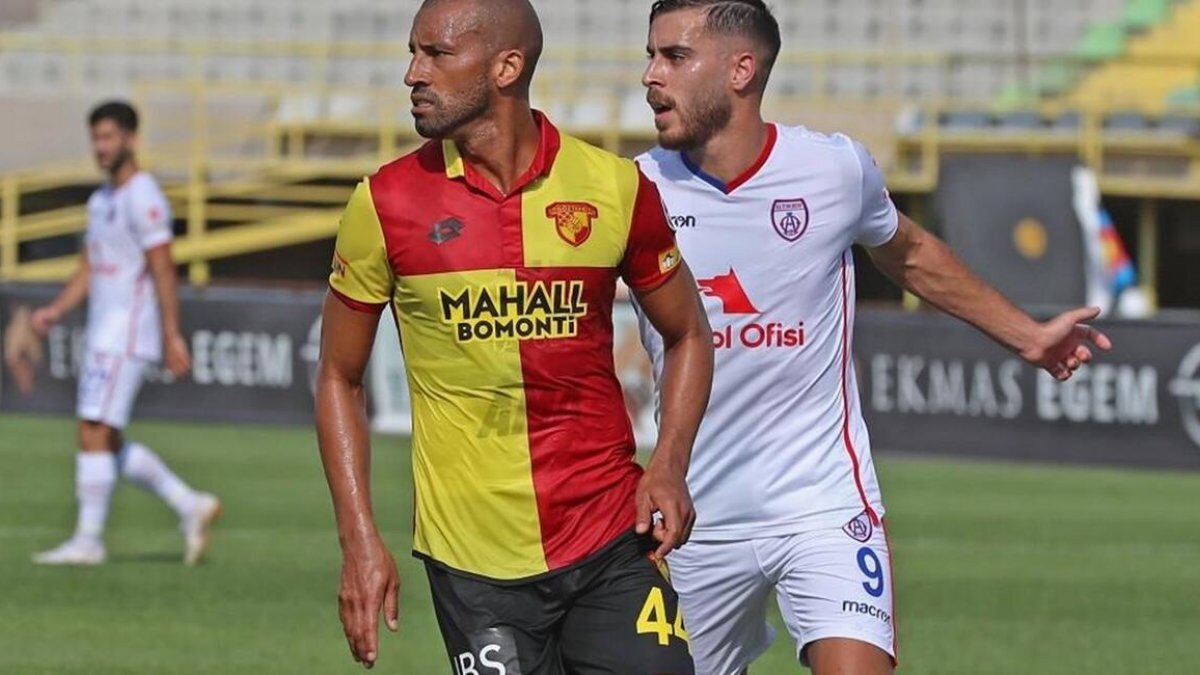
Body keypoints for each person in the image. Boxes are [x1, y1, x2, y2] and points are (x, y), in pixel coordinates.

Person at [634, 2, 1113, 674]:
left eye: (674, 56)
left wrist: (1028, 337)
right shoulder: (636, 189)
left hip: (822, 504)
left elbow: (909, 253)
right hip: (690, 515)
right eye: (651, 56)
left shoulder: (834, 170)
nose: (651, 75)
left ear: (741, 70)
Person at [314, 0, 714, 672]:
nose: (413, 73)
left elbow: (689, 333)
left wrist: (669, 463)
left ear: (506, 67)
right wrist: (359, 540)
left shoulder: (615, 188)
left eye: (437, 54)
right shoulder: (383, 204)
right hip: (474, 567)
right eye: (413, 53)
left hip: (611, 537)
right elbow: (338, 375)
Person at [31, 101, 221, 567]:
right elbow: (90, 267)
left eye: (108, 137)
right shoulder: (101, 200)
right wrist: (57, 308)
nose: (100, 147)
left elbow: (163, 266)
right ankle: (189, 504)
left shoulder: (143, 195)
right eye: (95, 138)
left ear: (131, 139)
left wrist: (172, 334)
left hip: (127, 334)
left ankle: (88, 540)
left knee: (92, 429)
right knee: (105, 437)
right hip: (103, 332)